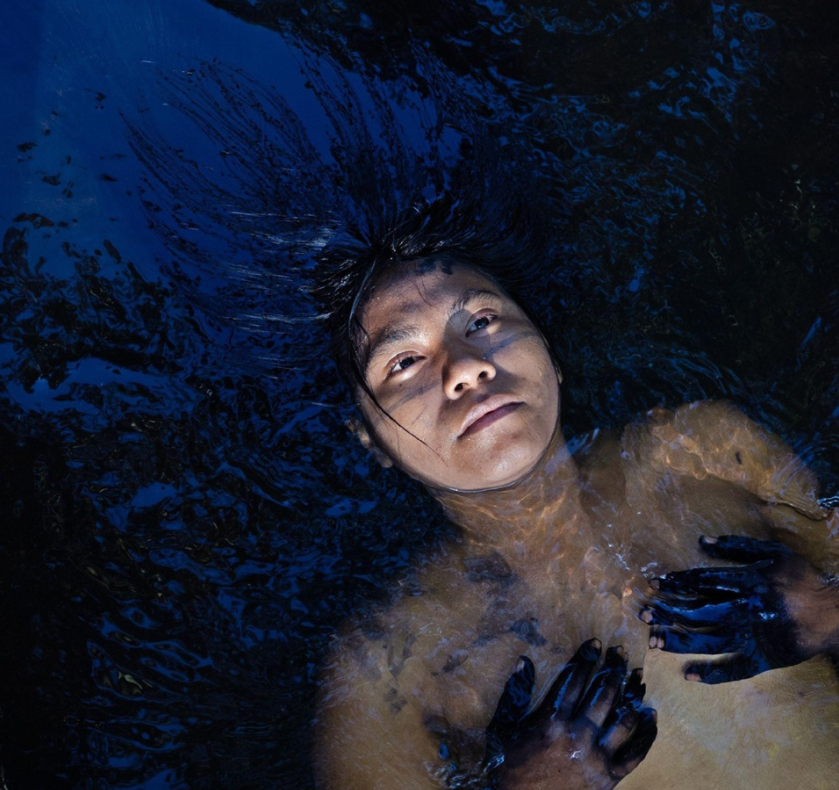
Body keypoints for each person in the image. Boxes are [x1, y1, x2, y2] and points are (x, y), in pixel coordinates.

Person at [310, 195, 839, 789]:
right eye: (405, 362)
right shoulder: (387, 669)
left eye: (481, 323)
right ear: (371, 440)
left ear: (548, 351)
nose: (465, 367)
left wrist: (826, 611)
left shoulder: (708, 453)